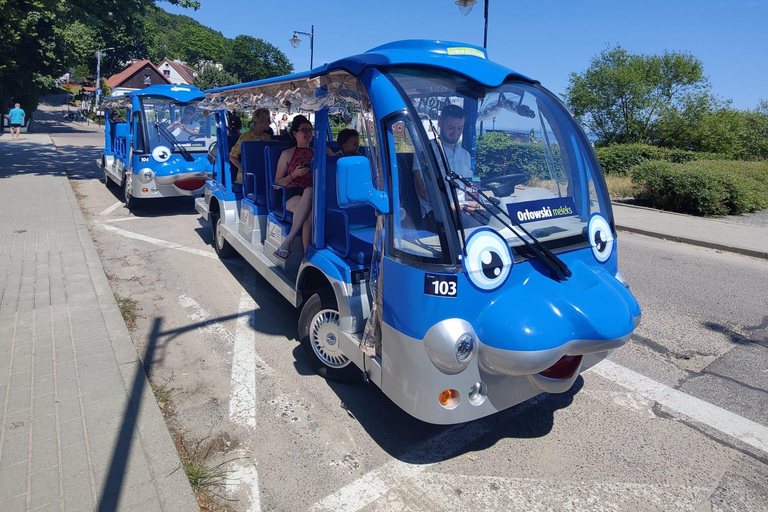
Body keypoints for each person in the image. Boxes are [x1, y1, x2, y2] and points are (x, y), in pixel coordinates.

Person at [413, 104, 479, 229]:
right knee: (475, 228)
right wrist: (452, 206)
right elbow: (422, 190)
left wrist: (476, 202)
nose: (456, 132)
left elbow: (470, 184)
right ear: (440, 123)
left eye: (460, 128)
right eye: (451, 127)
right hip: (437, 213)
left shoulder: (465, 154)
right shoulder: (425, 151)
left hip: (463, 209)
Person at [273, 115, 314, 260]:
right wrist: (294, 175)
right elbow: (277, 183)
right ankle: (306, 256)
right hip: (292, 193)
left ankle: (292, 245)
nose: (309, 134)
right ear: (295, 133)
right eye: (304, 130)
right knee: (309, 197)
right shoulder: (287, 154)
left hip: (315, 195)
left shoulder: (320, 152)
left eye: (310, 130)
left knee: (310, 196)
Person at [229, 108, 272, 184]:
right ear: (261, 121)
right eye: (268, 120)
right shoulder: (245, 137)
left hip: (263, 174)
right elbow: (232, 156)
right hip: (247, 177)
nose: (270, 122)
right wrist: (245, 170)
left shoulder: (267, 137)